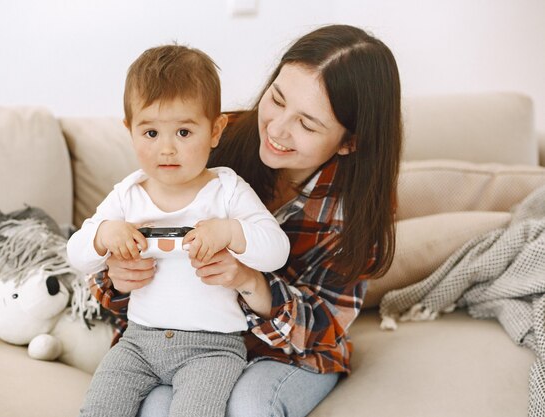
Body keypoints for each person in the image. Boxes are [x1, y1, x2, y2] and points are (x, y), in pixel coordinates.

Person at [96, 24, 402, 417]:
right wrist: (120, 277)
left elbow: (322, 328)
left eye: (307, 124)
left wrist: (250, 282)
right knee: (155, 405)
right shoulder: (206, 139)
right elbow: (120, 251)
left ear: (349, 141)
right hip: (186, 340)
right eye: (276, 99)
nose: (276, 129)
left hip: (290, 352)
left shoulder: (358, 207)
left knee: (251, 405)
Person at [67, 44, 290, 417]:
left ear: (216, 130)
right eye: (150, 132)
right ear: (130, 130)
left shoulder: (227, 190)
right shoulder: (127, 195)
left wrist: (231, 232)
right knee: (100, 408)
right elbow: (76, 254)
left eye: (184, 132)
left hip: (213, 348)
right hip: (138, 341)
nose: (166, 149)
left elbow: (276, 251)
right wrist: (104, 234)